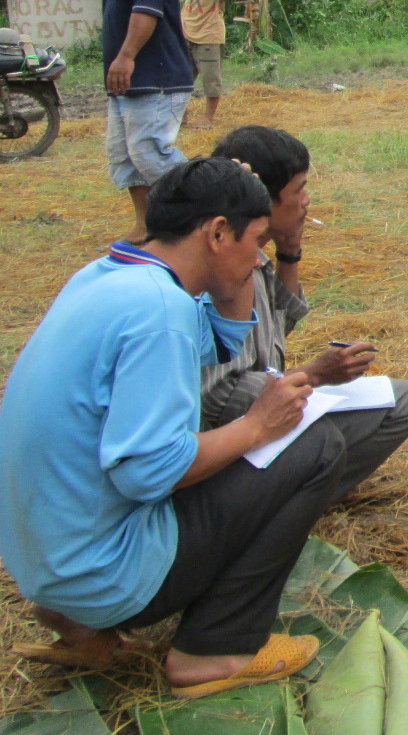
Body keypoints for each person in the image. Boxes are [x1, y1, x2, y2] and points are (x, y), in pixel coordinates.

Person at [0, 158, 339, 698]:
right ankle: (213, 650)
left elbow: (224, 339)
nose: (258, 260)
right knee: (316, 445)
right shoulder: (160, 311)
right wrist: (256, 426)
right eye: (254, 241)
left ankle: (79, 619)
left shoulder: (108, 276)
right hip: (103, 571)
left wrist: (236, 192)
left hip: (47, 560)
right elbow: (148, 473)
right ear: (217, 232)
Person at [205, 126, 408, 500]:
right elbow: (220, 397)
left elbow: (277, 329)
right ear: (264, 201)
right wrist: (314, 375)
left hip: (255, 414)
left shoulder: (254, 253)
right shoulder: (222, 270)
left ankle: (294, 494)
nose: (307, 200)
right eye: (299, 189)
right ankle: (277, 503)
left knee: (400, 399)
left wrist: (289, 252)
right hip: (224, 437)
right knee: (348, 429)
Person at [94, 0, 196, 242]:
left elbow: (147, 12)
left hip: (157, 75)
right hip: (129, 78)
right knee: (125, 158)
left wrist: (125, 57)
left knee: (150, 153)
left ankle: (212, 210)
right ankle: (147, 225)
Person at [174, 0, 247, 129]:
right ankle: (181, 116)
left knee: (210, 79)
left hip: (210, 30)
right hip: (186, 26)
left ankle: (208, 119)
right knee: (181, 77)